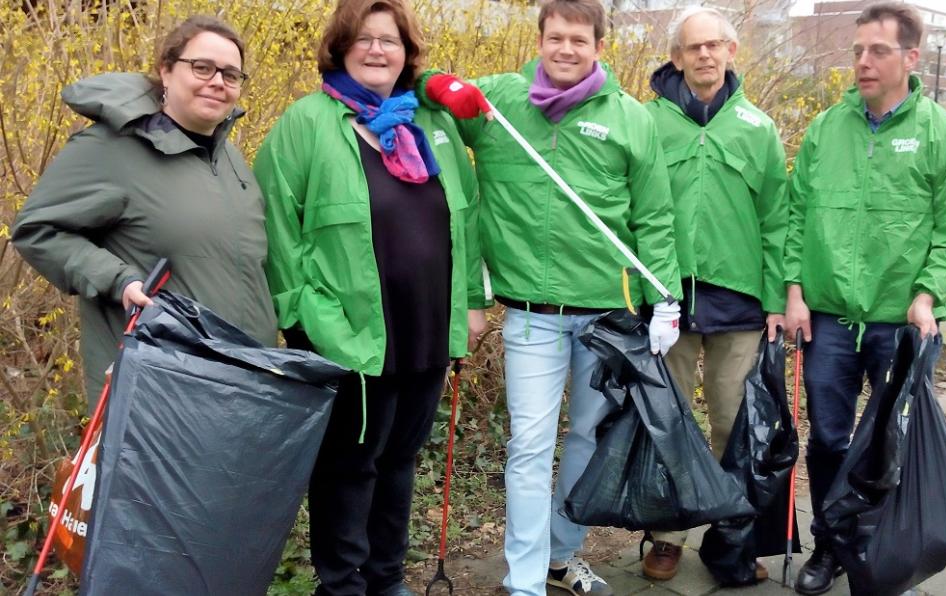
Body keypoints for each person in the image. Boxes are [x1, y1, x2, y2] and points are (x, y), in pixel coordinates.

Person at [422, 1, 681, 593]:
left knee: (588, 443)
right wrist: (444, 85)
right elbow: (415, 81)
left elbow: (655, 218)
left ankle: (563, 556)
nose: (566, 49)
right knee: (530, 446)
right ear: (539, 40)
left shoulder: (629, 118)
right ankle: (525, 581)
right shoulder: (498, 102)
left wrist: (664, 298)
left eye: (579, 40)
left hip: (608, 316)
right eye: (556, 37)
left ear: (599, 47)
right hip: (532, 317)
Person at [252, 1, 486, 594]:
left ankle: (386, 578)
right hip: (348, 330)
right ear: (340, 46)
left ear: (408, 54)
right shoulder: (307, 122)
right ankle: (342, 583)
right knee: (350, 465)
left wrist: (472, 303)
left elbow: (468, 216)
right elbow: (277, 225)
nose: (377, 50)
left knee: (400, 460)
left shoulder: (429, 123)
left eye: (391, 41)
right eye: (365, 38)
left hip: (428, 325)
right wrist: (299, 313)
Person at [784, 3, 946, 594]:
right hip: (828, 320)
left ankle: (887, 549)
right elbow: (796, 215)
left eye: (877, 51)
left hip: (902, 322)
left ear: (911, 58)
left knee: (892, 443)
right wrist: (794, 290)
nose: (863, 62)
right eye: (857, 51)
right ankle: (832, 545)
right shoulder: (825, 129)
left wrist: (927, 295)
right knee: (825, 438)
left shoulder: (944, 135)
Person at [13, 15, 277, 406]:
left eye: (231, 74)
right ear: (166, 71)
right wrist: (117, 279)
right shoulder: (110, 148)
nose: (218, 81)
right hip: (158, 392)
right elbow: (37, 229)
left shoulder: (232, 160)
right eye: (202, 67)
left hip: (240, 385)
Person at [639, 5, 788, 583]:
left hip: (740, 304)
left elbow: (778, 219)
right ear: (676, 57)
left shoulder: (759, 127)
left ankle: (731, 540)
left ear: (731, 51)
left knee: (734, 424)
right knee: (668, 421)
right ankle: (667, 535)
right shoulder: (646, 121)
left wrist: (777, 298)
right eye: (693, 47)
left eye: (715, 45)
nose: (705, 55)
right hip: (667, 301)